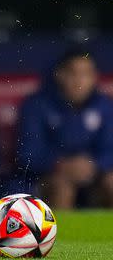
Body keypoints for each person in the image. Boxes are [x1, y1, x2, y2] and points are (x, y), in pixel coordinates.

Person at [16, 50, 113, 208]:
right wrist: (60, 165)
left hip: (93, 175)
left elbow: (110, 149)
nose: (79, 80)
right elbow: (28, 154)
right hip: (49, 177)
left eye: (86, 74)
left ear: (94, 77)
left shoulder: (105, 105)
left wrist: (93, 165)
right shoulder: (37, 104)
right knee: (63, 187)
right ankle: (57, 233)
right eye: (73, 73)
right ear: (60, 74)